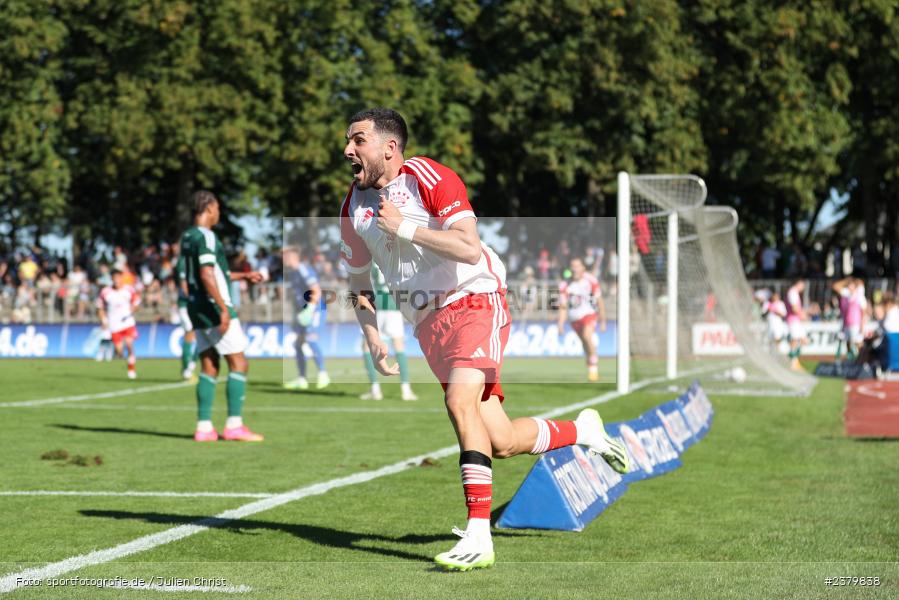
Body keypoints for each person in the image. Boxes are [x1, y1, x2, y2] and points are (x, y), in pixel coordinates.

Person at [339, 108, 628, 571]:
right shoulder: (352, 207)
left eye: (358, 140)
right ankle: (585, 431)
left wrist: (405, 227)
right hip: (428, 325)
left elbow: (469, 248)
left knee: (459, 402)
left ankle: (478, 535)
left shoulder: (429, 177)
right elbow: (358, 282)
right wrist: (372, 337)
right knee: (502, 441)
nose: (348, 150)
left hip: (474, 298)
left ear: (389, 148)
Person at [180, 190, 265, 442]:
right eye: (217, 208)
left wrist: (243, 276)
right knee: (239, 363)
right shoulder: (206, 236)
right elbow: (207, 275)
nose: (218, 213)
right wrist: (223, 308)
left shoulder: (188, 237)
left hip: (196, 307)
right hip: (214, 307)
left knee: (209, 364)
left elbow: (214, 273)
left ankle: (204, 428)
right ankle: (234, 426)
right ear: (208, 208)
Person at [359, 263, 417, 401]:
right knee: (399, 347)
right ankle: (406, 390)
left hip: (378, 304)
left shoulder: (372, 259)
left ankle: (375, 389)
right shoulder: (394, 257)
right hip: (393, 305)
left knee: (367, 346)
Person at [282, 246, 330, 390]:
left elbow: (316, 290)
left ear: (292, 257)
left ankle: (323, 374)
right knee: (298, 344)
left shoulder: (303, 269)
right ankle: (302, 379)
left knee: (310, 339)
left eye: (285, 256)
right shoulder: (293, 273)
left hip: (315, 309)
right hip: (302, 311)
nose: (283, 259)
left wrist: (309, 309)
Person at [557, 257, 607, 381]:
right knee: (584, 342)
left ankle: (594, 365)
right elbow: (563, 306)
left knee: (586, 336)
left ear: (583, 267)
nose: (575, 269)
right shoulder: (565, 285)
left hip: (589, 314)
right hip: (574, 318)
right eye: (573, 266)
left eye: (577, 266)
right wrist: (561, 324)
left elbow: (599, 300)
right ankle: (591, 364)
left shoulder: (591, 280)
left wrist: (603, 320)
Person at [95, 268, 140, 379]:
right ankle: (126, 358)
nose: (116, 280)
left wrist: (131, 311)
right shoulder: (106, 292)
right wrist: (103, 320)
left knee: (129, 343)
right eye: (114, 278)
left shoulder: (129, 290)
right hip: (114, 324)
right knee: (119, 351)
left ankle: (131, 368)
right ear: (111, 279)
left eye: (118, 277)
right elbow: (100, 307)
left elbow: (136, 303)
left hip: (127, 322)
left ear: (121, 278)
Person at [175, 249, 198, 380]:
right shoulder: (183, 262)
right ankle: (186, 369)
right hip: (186, 305)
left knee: (202, 335)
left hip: (197, 304)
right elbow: (184, 286)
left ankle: (191, 365)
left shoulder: (198, 260)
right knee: (189, 333)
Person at [785, 279, 807, 371]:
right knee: (795, 340)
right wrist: (802, 314)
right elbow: (794, 308)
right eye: (803, 285)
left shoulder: (794, 293)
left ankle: (794, 361)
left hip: (796, 320)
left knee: (803, 340)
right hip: (793, 320)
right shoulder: (793, 293)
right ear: (798, 283)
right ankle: (793, 363)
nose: (803, 287)